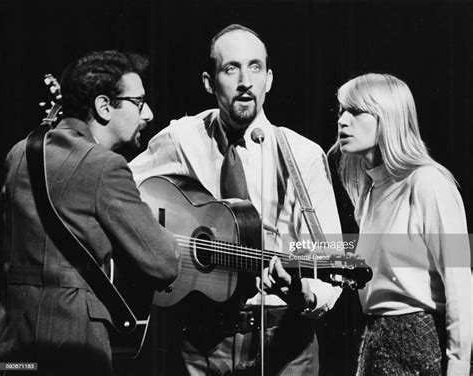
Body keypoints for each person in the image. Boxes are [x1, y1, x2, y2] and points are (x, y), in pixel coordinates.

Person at [130, 24, 342, 375]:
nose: (245, 80)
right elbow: (120, 192)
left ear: (269, 79)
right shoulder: (182, 137)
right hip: (202, 342)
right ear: (208, 82)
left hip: (285, 339)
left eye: (255, 67)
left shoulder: (302, 154)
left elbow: (329, 253)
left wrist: (302, 291)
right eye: (231, 68)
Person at [0, 50, 181, 375]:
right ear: (104, 107)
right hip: (74, 344)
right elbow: (163, 262)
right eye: (138, 103)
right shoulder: (105, 166)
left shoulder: (18, 153)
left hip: (15, 343)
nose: (149, 113)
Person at [329, 73, 471, 375]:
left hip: (420, 346)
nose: (342, 121)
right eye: (341, 110)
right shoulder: (368, 193)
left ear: (388, 117)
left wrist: (459, 365)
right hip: (375, 345)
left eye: (355, 111)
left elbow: (460, 282)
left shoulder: (429, 183)